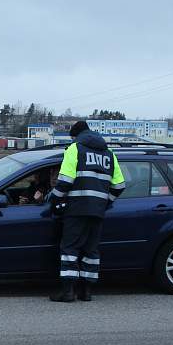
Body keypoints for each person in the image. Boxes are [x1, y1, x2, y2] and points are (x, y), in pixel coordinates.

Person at [49, 121, 125, 302]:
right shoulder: (109, 153)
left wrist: (54, 200)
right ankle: (86, 292)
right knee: (91, 251)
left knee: (69, 248)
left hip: (76, 209)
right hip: (97, 211)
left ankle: (67, 291)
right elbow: (119, 185)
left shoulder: (75, 149)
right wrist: (105, 203)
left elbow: (65, 181)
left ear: (75, 136)